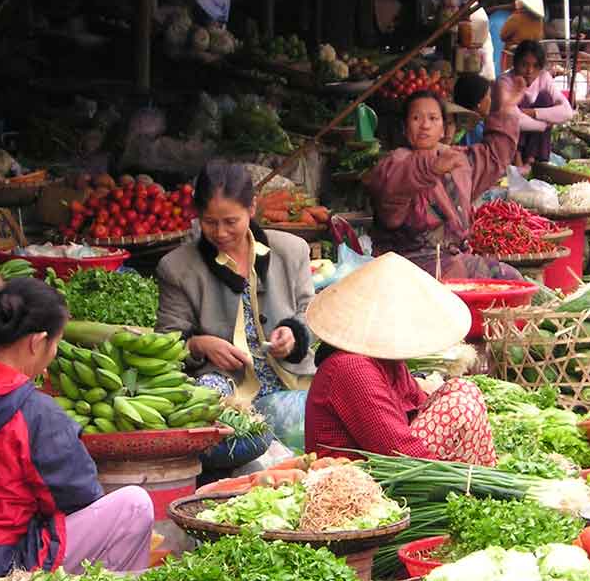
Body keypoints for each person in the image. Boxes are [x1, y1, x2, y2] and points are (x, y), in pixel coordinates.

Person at [0, 278, 154, 579]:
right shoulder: (36, 413)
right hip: (5, 563)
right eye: (55, 343)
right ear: (37, 341)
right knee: (134, 506)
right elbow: (80, 494)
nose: (54, 352)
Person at [304, 253, 496, 466]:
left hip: (388, 463)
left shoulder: (386, 359)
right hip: (357, 477)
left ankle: (474, 479)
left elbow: (417, 404)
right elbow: (396, 450)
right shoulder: (351, 367)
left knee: (462, 389)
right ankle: (471, 483)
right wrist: (455, 477)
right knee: (459, 405)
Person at [157, 161, 315, 401]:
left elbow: (311, 313)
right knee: (204, 401)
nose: (220, 233)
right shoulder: (177, 268)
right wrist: (199, 345)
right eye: (209, 222)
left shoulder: (291, 250)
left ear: (251, 208)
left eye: (231, 222)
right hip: (226, 381)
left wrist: (295, 335)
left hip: (290, 375)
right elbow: (165, 341)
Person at [364, 74, 527, 279]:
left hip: (454, 260)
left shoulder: (457, 160)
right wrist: (431, 168)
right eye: (416, 118)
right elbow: (393, 189)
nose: (425, 125)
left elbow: (494, 156)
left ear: (443, 127)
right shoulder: (394, 164)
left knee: (510, 279)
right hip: (407, 267)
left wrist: (505, 110)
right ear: (405, 128)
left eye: (433, 118)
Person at [507, 40, 575, 166]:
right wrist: (545, 123)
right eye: (524, 65)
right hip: (512, 144)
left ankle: (533, 160)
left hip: (534, 144)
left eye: (535, 66)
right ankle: (518, 157)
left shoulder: (544, 78)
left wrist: (532, 113)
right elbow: (514, 120)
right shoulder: (506, 81)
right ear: (515, 64)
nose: (529, 71)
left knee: (545, 98)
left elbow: (567, 112)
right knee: (524, 99)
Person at [498, 0, 546, 70]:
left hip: (514, 57)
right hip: (534, 56)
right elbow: (540, 36)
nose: (516, 1)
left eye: (518, 0)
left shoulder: (516, 18)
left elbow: (503, 35)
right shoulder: (539, 20)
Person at [452, 74, 493, 145]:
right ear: (478, 101)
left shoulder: (462, 121)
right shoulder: (475, 129)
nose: (491, 100)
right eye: (489, 95)